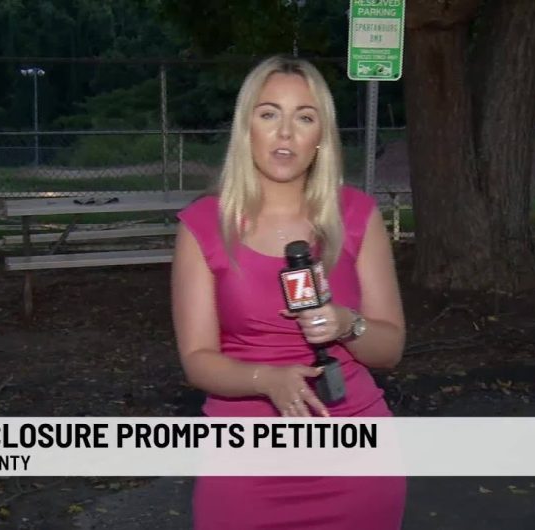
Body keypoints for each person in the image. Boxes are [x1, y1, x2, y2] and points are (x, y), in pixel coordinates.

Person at [171, 55, 406, 530]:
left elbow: (390, 349)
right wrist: (266, 379)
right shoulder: (203, 225)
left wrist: (347, 324)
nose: (285, 133)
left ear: (321, 136)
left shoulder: (357, 215)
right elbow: (197, 360)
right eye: (268, 114)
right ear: (246, 128)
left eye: (304, 117)